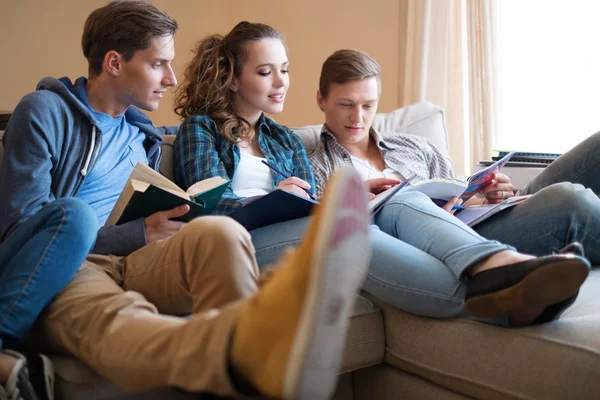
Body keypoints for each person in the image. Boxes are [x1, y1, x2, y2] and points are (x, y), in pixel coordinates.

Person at [0, 2, 374, 399]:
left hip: (138, 258)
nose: (171, 78)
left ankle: (261, 329)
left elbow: (212, 133)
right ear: (114, 63)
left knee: (219, 232)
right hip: (69, 265)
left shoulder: (139, 130)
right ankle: (247, 353)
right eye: (158, 64)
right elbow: (23, 226)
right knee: (115, 316)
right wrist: (135, 233)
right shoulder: (45, 112)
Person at [173, 21, 590, 329]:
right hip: (243, 243)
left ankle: (501, 266)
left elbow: (313, 198)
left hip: (305, 228)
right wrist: (268, 198)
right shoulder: (201, 129)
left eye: (284, 68)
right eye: (266, 72)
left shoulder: (283, 138)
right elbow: (207, 207)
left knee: (401, 198)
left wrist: (353, 194)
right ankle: (515, 299)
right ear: (231, 77)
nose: (281, 82)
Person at [309, 48, 600, 266]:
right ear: (321, 99)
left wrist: (491, 194)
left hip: (482, 217)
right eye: (346, 104)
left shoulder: (414, 145)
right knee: (572, 201)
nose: (358, 117)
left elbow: (460, 192)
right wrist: (431, 221)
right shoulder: (320, 170)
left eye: (368, 105)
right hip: (453, 242)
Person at [0, 198, 97, 400]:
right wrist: (132, 234)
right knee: (78, 216)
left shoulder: (153, 165)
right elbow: (22, 215)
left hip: (109, 267)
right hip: (54, 248)